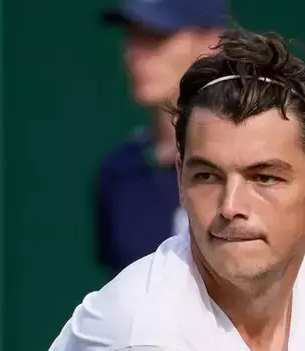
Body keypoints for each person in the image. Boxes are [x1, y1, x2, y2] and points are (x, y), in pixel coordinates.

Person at [28, 27, 305, 351]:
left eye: (265, 177)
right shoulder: (147, 343)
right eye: (207, 176)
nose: (230, 206)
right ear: (181, 179)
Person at [97, 0, 226, 276]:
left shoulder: (250, 164)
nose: (134, 54)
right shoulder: (118, 173)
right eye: (133, 36)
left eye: (157, 36)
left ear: (211, 42)